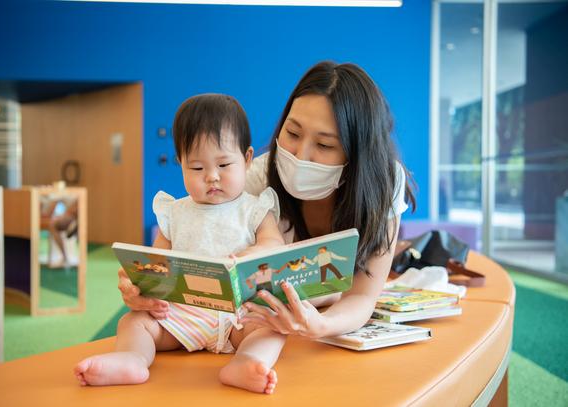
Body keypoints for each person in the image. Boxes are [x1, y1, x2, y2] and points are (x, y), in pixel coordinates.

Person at [118, 61, 416, 387]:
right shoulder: (256, 177)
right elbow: (196, 234)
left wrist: (320, 324)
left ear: (357, 153)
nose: (300, 154)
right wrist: (143, 283)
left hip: (286, 331)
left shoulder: (384, 183)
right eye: (292, 132)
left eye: (325, 144)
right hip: (233, 319)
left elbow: (362, 296)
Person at [74, 93, 287, 394]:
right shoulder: (174, 211)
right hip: (182, 314)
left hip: (241, 315)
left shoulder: (255, 208)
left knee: (274, 328)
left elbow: (273, 244)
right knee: (133, 322)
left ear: (248, 159)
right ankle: (132, 358)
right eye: (197, 168)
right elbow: (156, 259)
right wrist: (142, 280)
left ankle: (247, 361)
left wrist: (252, 253)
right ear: (181, 164)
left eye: (224, 164)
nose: (212, 177)